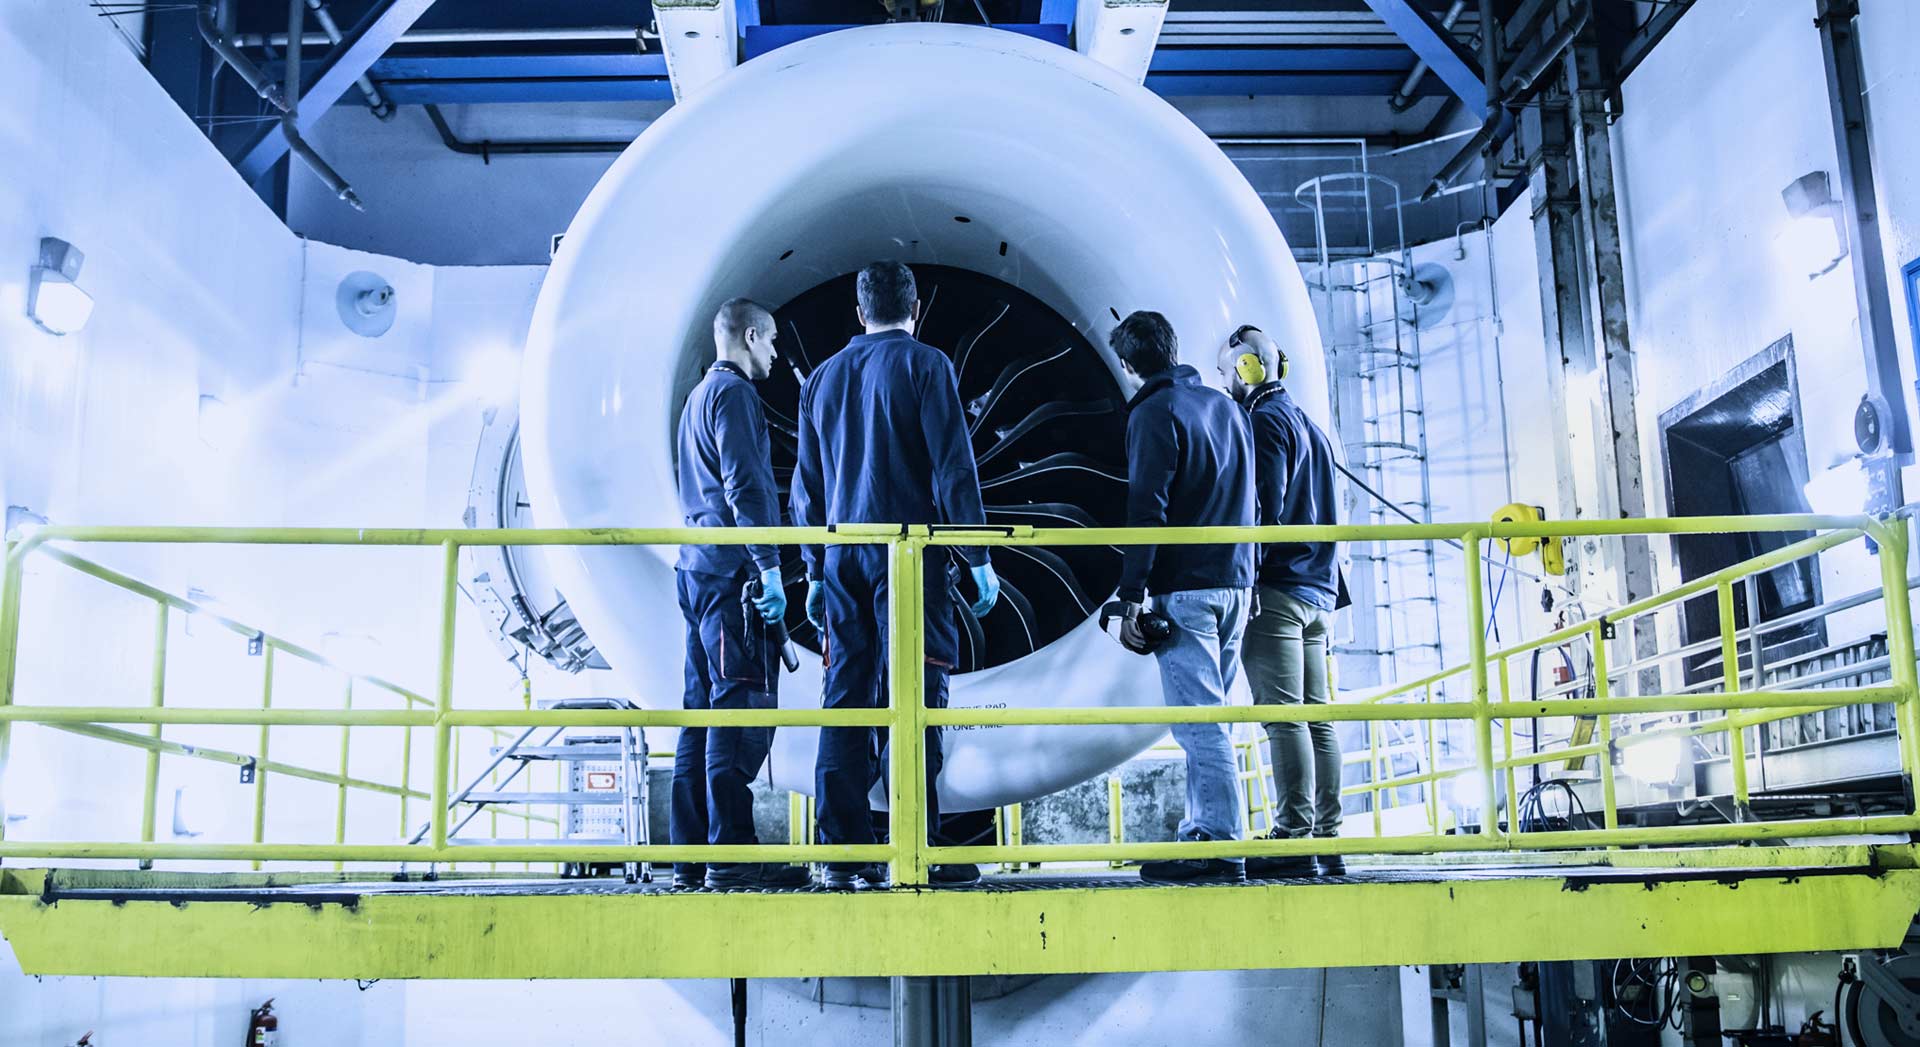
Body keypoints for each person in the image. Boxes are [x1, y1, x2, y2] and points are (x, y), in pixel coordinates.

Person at [791, 261, 1001, 890]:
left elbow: (807, 490)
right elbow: (953, 469)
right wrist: (978, 556)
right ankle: (917, 851)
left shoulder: (822, 378)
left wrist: (811, 569)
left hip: (842, 553)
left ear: (859, 313)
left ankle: (840, 854)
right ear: (917, 309)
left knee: (845, 699)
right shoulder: (927, 365)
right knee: (914, 697)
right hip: (908, 557)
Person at [1108, 310, 1257, 885]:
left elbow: (1148, 510)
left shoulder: (1153, 413)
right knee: (1212, 718)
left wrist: (1127, 597)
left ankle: (1220, 844)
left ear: (1127, 366)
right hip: (1237, 583)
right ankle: (1204, 829)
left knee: (1199, 723)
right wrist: (1252, 573)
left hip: (1188, 590)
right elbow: (1254, 499)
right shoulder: (1227, 406)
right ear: (1173, 348)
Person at [670, 298, 810, 891]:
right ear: (748, 336)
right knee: (735, 712)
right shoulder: (733, 396)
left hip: (697, 571)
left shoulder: (694, 399)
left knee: (699, 714)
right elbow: (747, 486)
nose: (776, 353)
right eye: (772, 341)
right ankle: (731, 857)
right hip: (731, 578)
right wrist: (770, 569)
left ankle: (691, 859)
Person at [1219, 324, 1347, 878]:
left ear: (1247, 370)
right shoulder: (1312, 427)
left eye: (1227, 373)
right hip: (1320, 590)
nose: (1227, 385)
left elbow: (1262, 513)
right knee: (1318, 719)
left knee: (1282, 718)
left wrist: (1244, 579)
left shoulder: (1264, 422)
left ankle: (1292, 835)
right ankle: (1328, 834)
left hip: (1279, 589)